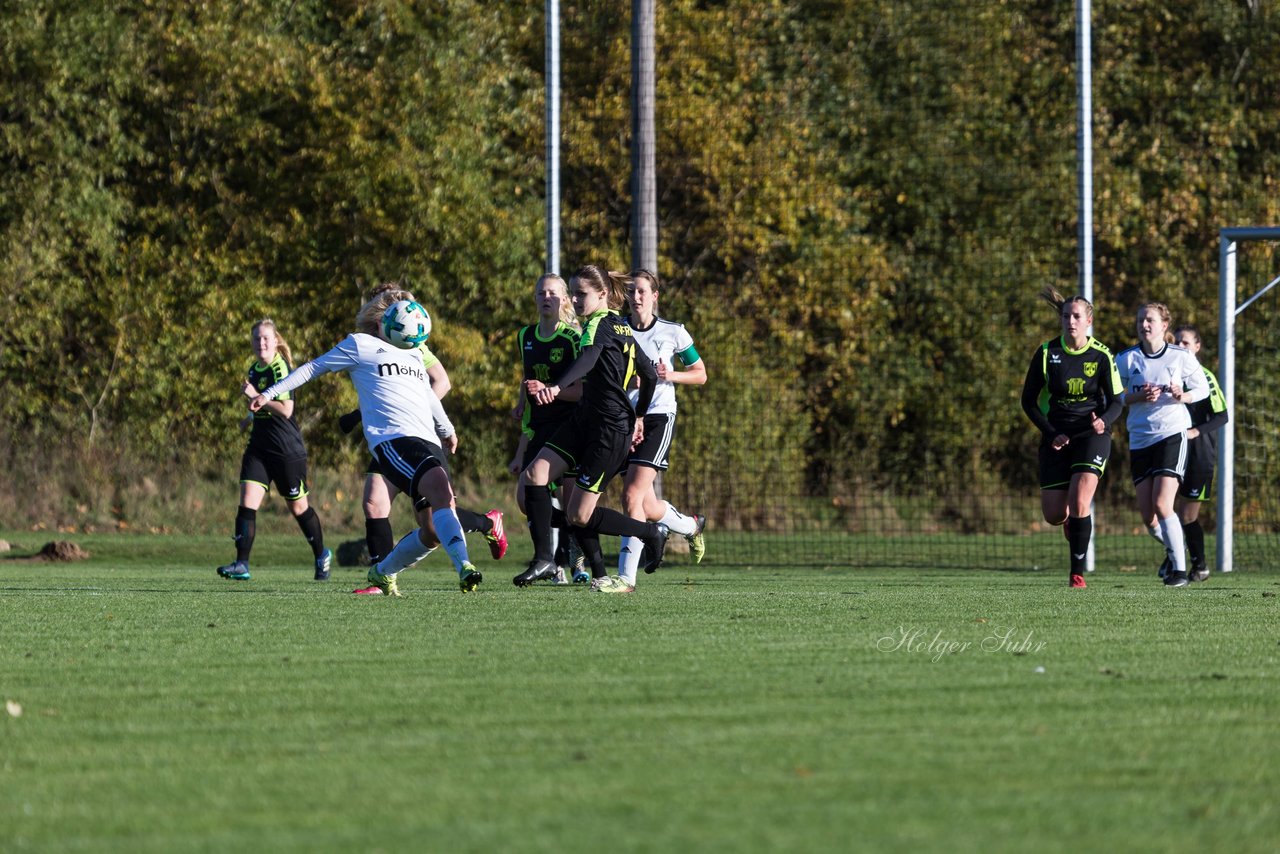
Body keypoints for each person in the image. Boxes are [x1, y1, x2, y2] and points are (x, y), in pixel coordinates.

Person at [248, 293, 481, 596]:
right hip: (393, 440)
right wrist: (269, 393)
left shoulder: (412, 352)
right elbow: (311, 368)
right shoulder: (360, 345)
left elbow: (427, 393)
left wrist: (447, 428)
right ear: (388, 321)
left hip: (426, 439)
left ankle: (383, 572)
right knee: (430, 490)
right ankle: (465, 567)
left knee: (433, 527)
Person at [514, 265, 670, 593]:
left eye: (580, 293)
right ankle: (545, 558)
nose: (574, 299)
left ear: (602, 295)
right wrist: (639, 415)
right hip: (585, 421)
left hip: (609, 431)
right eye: (572, 293)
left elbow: (588, 358)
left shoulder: (598, 325)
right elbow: (650, 375)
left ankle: (648, 533)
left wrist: (556, 387)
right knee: (534, 476)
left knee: (580, 515)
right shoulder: (621, 326)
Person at [340, 285, 507, 572]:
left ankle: (488, 522)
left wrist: (414, 405)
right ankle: (379, 577)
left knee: (431, 523)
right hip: (387, 436)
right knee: (374, 503)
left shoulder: (410, 342)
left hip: (413, 435)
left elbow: (442, 381)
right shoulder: (369, 341)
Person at [1020, 287, 1123, 589]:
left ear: (1088, 321)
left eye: (1077, 316)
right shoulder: (1046, 353)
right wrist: (1051, 433)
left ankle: (1076, 574)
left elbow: (1118, 401)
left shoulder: (1102, 355)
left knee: (1081, 501)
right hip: (1056, 436)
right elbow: (1027, 401)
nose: (1071, 321)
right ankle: (1070, 524)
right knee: (1053, 514)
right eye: (1066, 316)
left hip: (1092, 435)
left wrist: (1103, 422)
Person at [217, 319, 333, 582]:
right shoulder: (254, 369)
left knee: (299, 508)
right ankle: (241, 564)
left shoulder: (281, 367)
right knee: (247, 501)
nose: (261, 343)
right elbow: (262, 407)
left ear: (276, 341)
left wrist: (257, 395)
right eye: (257, 339)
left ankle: (321, 554)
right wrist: (249, 417)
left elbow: (286, 410)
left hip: (286, 449)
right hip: (259, 447)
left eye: (266, 338)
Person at [616, 268, 708, 589]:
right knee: (646, 505)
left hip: (658, 417)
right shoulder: (617, 330)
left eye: (642, 291)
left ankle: (626, 579)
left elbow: (700, 373)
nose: (636, 297)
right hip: (626, 420)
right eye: (631, 292)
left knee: (631, 495)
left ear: (655, 296)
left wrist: (669, 375)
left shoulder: (673, 332)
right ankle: (689, 525)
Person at [1116, 303, 1209, 588]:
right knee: (1148, 516)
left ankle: (1180, 572)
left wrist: (1184, 396)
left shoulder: (1180, 356)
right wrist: (1138, 397)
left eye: (1151, 320)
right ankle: (1173, 551)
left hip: (1171, 434)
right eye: (1141, 319)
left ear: (1164, 325)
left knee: (1162, 503)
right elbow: (1115, 396)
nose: (1145, 324)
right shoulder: (1126, 359)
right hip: (1140, 438)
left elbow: (1202, 388)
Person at [506, 273, 586, 584]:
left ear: (565, 299)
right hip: (538, 426)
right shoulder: (524, 335)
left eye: (553, 293)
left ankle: (566, 562)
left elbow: (580, 391)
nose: (546, 298)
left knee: (570, 502)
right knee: (526, 500)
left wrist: (551, 389)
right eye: (541, 293)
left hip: (568, 425)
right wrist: (522, 403)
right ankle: (555, 557)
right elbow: (526, 377)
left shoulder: (572, 338)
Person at [1169, 325, 1227, 583]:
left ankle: (1199, 565)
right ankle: (1174, 560)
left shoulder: (1204, 376)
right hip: (1171, 449)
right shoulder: (1169, 375)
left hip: (1199, 455)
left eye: (1186, 343)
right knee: (1163, 507)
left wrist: (1195, 432)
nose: (1181, 347)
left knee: (1187, 515)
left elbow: (1222, 416)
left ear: (1197, 346)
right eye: (1177, 342)